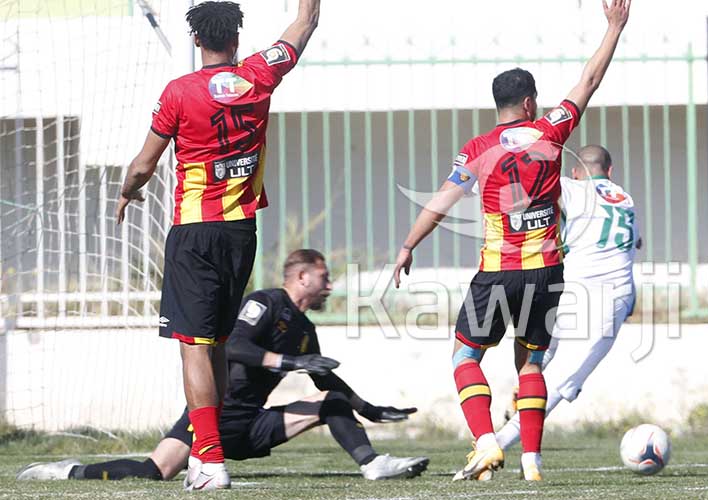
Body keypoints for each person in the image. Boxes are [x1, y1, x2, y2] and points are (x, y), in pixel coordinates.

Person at [390, 0, 631, 482]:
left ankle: (484, 443)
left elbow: (440, 201)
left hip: (498, 271)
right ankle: (532, 461)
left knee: (465, 357)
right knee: (533, 361)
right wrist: (614, 27)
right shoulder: (551, 130)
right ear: (528, 104)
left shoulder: (478, 150)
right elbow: (589, 81)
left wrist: (408, 245)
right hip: (546, 271)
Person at [115, 0, 319, 490]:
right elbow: (305, 22)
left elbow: (144, 164)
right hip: (241, 232)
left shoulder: (179, 92)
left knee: (193, 346)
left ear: (196, 40)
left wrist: (128, 191)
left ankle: (208, 461)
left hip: (194, 232)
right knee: (220, 343)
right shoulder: (258, 75)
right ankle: (211, 454)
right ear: (236, 38)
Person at [17, 250, 428, 484]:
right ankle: (68, 471)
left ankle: (372, 465)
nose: (330, 284)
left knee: (331, 400)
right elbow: (235, 348)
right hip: (212, 418)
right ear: (302, 276)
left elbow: (322, 375)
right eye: (324, 277)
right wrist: (288, 362)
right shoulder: (265, 303)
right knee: (151, 472)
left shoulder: (302, 326)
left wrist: (368, 408)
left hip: (252, 424)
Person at [494, 145, 640, 450]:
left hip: (570, 288)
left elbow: (539, 189)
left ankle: (512, 411)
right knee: (564, 379)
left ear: (576, 173)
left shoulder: (571, 187)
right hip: (612, 296)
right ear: (610, 171)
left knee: (542, 352)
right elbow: (635, 240)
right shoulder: (625, 199)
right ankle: (501, 441)